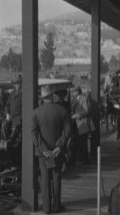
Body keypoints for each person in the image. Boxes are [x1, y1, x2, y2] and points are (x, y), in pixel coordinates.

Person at [31, 84, 71, 214]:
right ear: (52, 95)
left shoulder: (36, 113)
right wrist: (59, 146)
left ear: (42, 98)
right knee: (57, 177)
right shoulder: (63, 110)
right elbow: (67, 131)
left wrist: (43, 149)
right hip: (57, 151)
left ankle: (47, 208)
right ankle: (56, 206)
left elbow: (34, 133)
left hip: (44, 154)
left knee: (45, 178)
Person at [70, 86, 93, 164]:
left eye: (73, 92)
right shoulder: (76, 100)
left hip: (82, 123)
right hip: (78, 123)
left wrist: (76, 115)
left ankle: (84, 159)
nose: (72, 93)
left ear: (77, 91)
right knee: (79, 141)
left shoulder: (84, 99)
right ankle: (81, 158)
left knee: (83, 141)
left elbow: (87, 111)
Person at [2, 75, 23, 144]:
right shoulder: (12, 94)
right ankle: (5, 142)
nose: (17, 85)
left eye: (18, 83)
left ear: (22, 83)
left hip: (20, 117)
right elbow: (7, 105)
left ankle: (11, 141)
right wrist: (7, 114)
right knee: (4, 124)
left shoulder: (25, 94)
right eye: (15, 83)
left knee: (17, 125)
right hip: (10, 117)